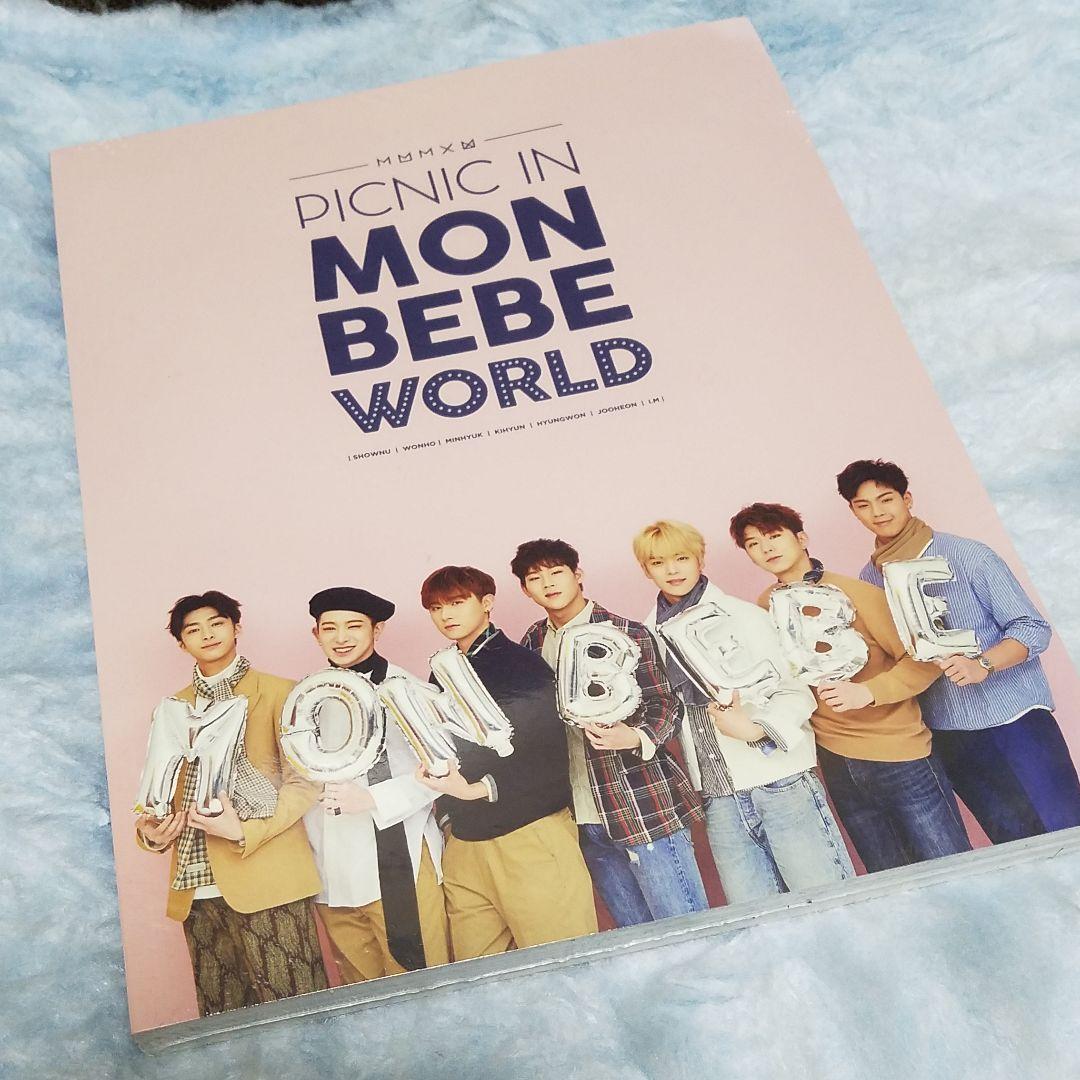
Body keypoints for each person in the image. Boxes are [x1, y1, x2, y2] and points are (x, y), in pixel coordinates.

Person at [837, 458, 1080, 842]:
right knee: (1010, 841)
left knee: (1064, 828)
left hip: (1013, 717)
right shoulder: (870, 579)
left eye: (886, 499)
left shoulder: (969, 554)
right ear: (853, 512)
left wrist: (983, 663)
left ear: (907, 499)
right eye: (863, 505)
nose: (878, 512)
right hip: (949, 732)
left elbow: (1032, 628)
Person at [729, 505, 972, 872]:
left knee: (953, 868)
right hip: (834, 760)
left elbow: (925, 660)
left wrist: (869, 692)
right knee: (887, 878)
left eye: (775, 535)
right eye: (753, 543)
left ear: (801, 538)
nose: (767, 548)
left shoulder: (859, 593)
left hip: (899, 753)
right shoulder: (765, 606)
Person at [634, 520, 853, 904]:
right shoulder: (646, 636)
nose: (672, 570)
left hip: (780, 783)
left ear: (699, 559)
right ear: (646, 570)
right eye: (658, 562)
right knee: (759, 919)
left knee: (830, 903)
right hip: (718, 797)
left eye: (681, 558)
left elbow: (796, 691)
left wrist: (756, 728)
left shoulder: (743, 615)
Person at [134, 590, 327, 1016]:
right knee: (222, 1019)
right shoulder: (172, 708)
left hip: (267, 876)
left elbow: (305, 783)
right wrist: (151, 834)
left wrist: (246, 831)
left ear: (236, 628)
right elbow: (160, 793)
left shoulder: (280, 692)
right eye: (193, 629)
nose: (207, 634)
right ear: (181, 642)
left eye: (216, 623)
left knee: (297, 1010)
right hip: (195, 886)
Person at [512, 538, 708, 926]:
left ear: (577, 575)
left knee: (685, 924)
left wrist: (636, 737)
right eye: (535, 578)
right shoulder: (532, 643)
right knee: (633, 933)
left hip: (638, 801)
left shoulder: (627, 632)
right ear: (525, 589)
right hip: (581, 816)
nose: (548, 583)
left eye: (557, 572)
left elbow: (666, 704)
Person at [415, 565, 597, 960]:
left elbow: (546, 750)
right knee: (482, 977)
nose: (446, 615)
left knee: (563, 964)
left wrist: (478, 789)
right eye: (436, 608)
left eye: (457, 603)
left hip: (527, 834)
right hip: (466, 842)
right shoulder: (443, 669)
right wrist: (450, 819)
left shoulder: (522, 665)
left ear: (487, 603)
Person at [302, 586, 449, 983]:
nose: (341, 637)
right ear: (316, 634)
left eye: (354, 626)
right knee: (360, 991)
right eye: (329, 628)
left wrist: (373, 798)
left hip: (399, 859)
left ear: (376, 630)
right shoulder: (306, 697)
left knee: (421, 982)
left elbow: (440, 771)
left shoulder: (410, 690)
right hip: (332, 868)